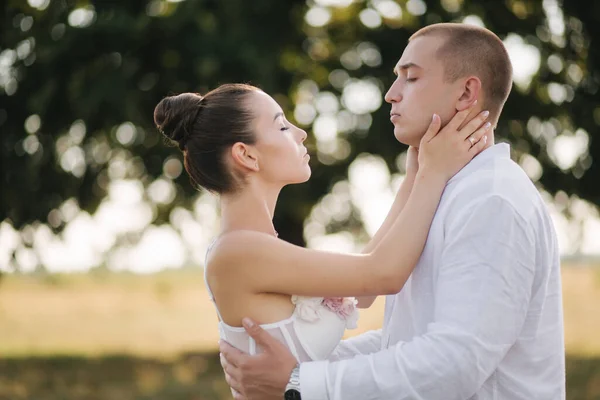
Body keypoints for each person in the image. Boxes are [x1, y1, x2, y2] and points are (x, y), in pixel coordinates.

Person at [219, 23, 566, 400]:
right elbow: (407, 339)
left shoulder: (490, 199)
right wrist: (296, 371)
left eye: (411, 78)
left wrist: (300, 382)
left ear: (467, 92)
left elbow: (454, 364)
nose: (390, 94)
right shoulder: (444, 191)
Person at [154, 79, 488, 380]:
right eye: (282, 127)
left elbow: (365, 287)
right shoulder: (238, 252)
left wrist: (416, 173)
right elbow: (384, 274)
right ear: (247, 155)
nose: (300, 133)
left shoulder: (255, 246)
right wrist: (436, 173)